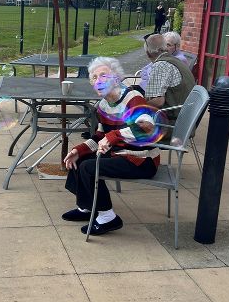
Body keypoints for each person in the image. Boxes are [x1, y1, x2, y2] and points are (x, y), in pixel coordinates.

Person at [62, 56, 160, 236]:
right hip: (120, 153)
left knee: (89, 167)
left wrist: (114, 136)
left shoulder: (133, 98)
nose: (98, 81)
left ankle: (108, 217)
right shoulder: (104, 105)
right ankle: (87, 207)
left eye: (103, 76)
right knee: (80, 159)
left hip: (141, 159)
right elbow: (100, 136)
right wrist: (79, 150)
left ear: (116, 78)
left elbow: (147, 128)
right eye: (94, 77)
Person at [143, 34, 195, 134]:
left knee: (126, 122)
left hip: (172, 126)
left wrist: (138, 105)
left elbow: (158, 101)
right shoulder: (175, 60)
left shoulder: (161, 65)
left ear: (148, 53)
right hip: (185, 122)